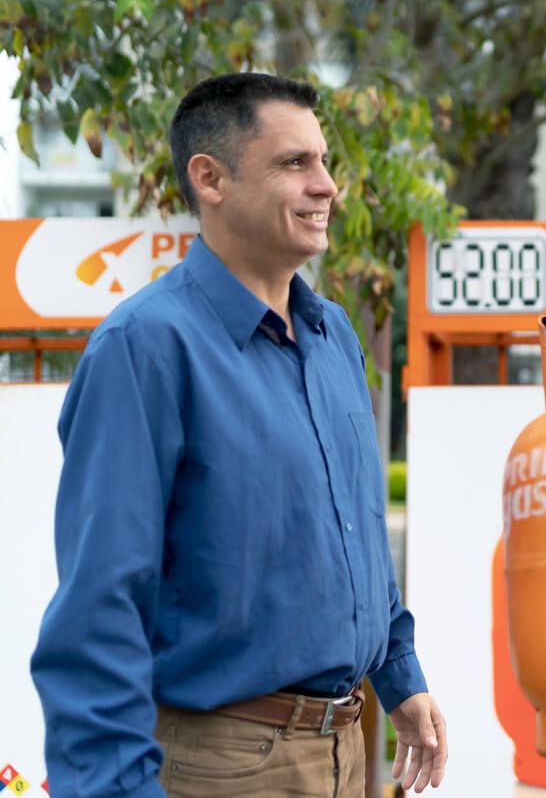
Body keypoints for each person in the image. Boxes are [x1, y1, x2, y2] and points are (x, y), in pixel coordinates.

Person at [31, 73, 447, 797]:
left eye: (325, 162)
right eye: (296, 164)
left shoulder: (333, 336)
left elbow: (357, 537)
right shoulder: (145, 346)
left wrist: (399, 676)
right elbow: (101, 604)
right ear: (210, 178)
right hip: (220, 765)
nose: (328, 187)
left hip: (346, 751)